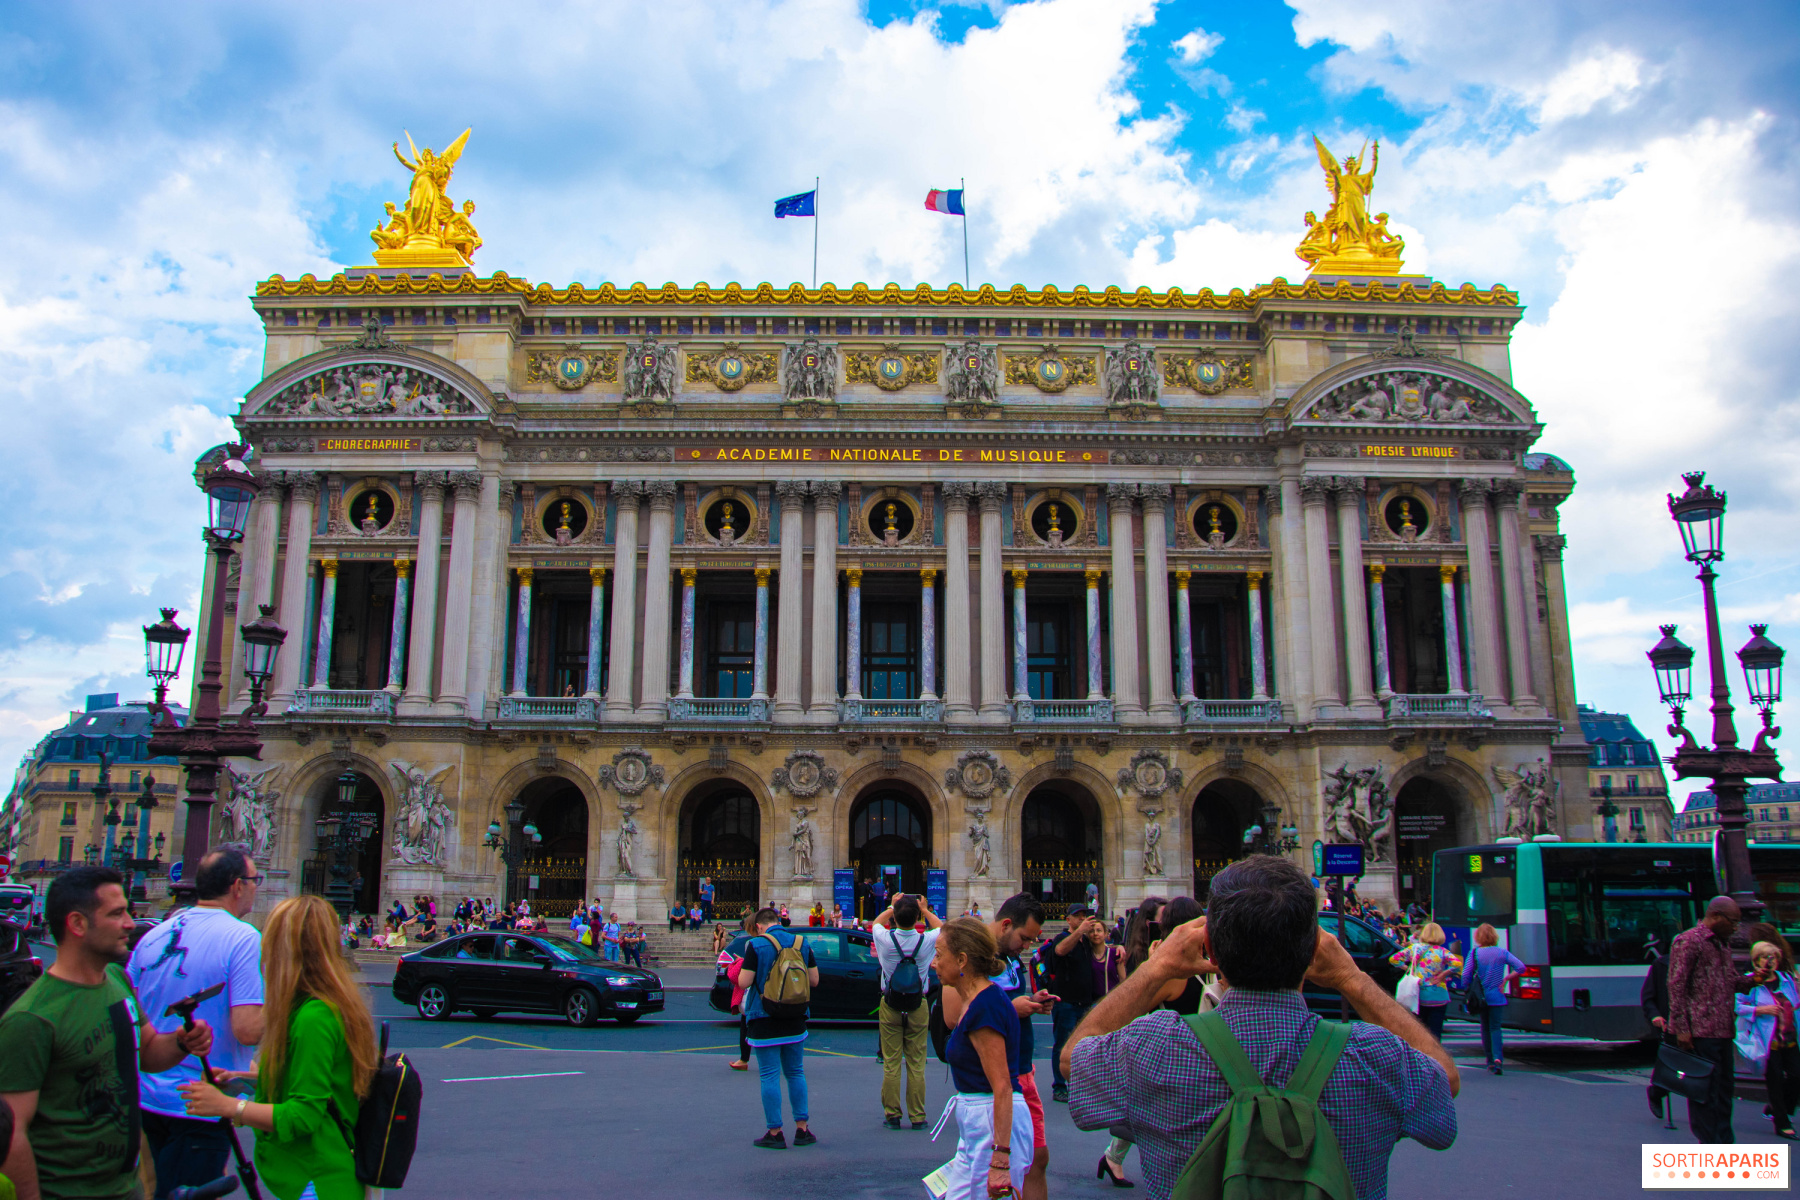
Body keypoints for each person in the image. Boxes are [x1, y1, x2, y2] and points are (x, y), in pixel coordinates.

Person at [1065, 855, 1459, 1200]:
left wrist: (1154, 970)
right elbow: (1445, 1081)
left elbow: (1072, 1059)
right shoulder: (1374, 1055)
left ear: (1212, 952)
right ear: (1313, 951)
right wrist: (1352, 979)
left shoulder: (1154, 1047)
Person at [0, 867, 215, 1200]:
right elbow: (11, 1133)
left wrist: (182, 1041)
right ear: (77, 924)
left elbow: (148, 1052)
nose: (130, 923)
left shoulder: (117, 981)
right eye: (117, 914)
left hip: (124, 1187)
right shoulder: (31, 1018)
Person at [179, 895, 379, 1200]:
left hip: (317, 1179)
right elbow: (310, 1084)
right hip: (313, 1172)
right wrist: (240, 1082)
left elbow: (304, 1115)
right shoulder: (316, 1007)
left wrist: (230, 1107)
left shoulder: (315, 1017)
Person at [128, 847, 267, 1200]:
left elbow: (132, 1009)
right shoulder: (242, 936)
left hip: (148, 1097)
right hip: (198, 1102)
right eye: (255, 881)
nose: (256, 888)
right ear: (238, 886)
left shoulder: (155, 934)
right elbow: (248, 1029)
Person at [942, 893, 1056, 1200]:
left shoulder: (1010, 958)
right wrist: (1011, 1007)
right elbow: (954, 1018)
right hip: (995, 1087)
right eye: (1024, 938)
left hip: (1016, 1075)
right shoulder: (967, 957)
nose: (1027, 946)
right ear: (1006, 925)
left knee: (1037, 1158)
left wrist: (1028, 1004)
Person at [933, 918, 1035, 1200]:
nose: (934, 963)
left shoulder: (984, 1007)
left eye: (940, 955)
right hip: (979, 1119)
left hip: (992, 1119)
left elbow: (1002, 1085)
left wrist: (1001, 1158)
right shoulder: (975, 1001)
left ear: (962, 960)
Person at [730, 907, 820, 1148]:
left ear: (759, 926)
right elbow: (814, 980)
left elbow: (744, 982)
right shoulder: (802, 942)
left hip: (764, 1016)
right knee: (795, 1072)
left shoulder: (756, 945)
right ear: (779, 921)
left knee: (769, 1074)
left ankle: (775, 1132)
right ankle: (802, 1129)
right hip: (795, 1015)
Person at [872, 893, 943, 1130]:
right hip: (918, 1005)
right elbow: (942, 927)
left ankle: (892, 1114)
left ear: (894, 918)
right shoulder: (927, 941)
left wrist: (892, 905)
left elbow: (875, 923)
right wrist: (924, 909)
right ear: (917, 918)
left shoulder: (884, 938)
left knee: (891, 1062)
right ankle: (918, 1116)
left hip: (890, 1004)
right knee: (916, 1063)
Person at [1037, 907, 1102, 1104]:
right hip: (1065, 1001)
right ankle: (1059, 1086)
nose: (1083, 919)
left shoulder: (1087, 941)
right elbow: (1060, 950)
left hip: (1085, 1002)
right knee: (1063, 1045)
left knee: (1084, 1046)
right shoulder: (1062, 938)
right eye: (1078, 916)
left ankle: (1080, 1084)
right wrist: (1080, 931)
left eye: (1085, 916)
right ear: (1068, 920)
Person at [1737, 939, 1800, 1138]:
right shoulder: (1750, 981)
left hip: (1789, 1036)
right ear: (1756, 960)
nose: (1770, 961)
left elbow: (1796, 1003)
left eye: (1773, 957)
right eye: (1765, 957)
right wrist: (1760, 1009)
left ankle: (1777, 1109)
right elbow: (1736, 1005)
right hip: (1767, 1041)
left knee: (1796, 1076)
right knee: (1775, 1080)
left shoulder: (1786, 979)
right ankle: (1782, 1123)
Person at [1459, 923, 1525, 1074]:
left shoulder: (1475, 953)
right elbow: (1521, 967)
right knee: (1495, 1028)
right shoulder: (1502, 952)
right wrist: (1506, 979)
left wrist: (1467, 989)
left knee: (1485, 1028)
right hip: (1497, 996)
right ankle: (1498, 1059)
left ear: (1478, 937)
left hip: (1480, 997)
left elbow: (1466, 975)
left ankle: (1489, 1060)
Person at [1388, 922, 1462, 1041]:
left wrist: (1407, 968)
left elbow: (1393, 959)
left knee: (1419, 1031)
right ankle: (1435, 1057)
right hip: (1438, 996)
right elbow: (1457, 964)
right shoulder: (1443, 951)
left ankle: (1420, 1056)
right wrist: (1444, 974)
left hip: (1417, 996)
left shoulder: (1414, 948)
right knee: (1435, 1032)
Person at [1642, 946, 1673, 1119]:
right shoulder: (1661, 965)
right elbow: (1648, 997)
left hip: (1695, 1023)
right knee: (1670, 1064)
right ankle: (1657, 1091)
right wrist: (1655, 1015)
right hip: (1670, 1024)